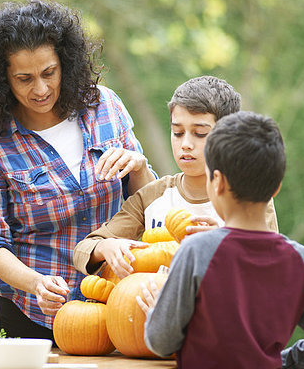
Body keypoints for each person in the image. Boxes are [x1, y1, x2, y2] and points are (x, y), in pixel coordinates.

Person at [0, 0, 155, 340]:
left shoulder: (104, 106)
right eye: (24, 78)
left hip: (117, 302)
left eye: (49, 72)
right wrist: (35, 283)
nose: (41, 89)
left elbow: (147, 209)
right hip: (35, 315)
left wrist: (137, 167)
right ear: (2, 79)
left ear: (65, 62)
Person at [139, 111, 304, 368]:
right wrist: (281, 362)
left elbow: (161, 342)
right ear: (276, 187)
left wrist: (158, 313)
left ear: (217, 182)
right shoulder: (299, 259)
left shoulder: (197, 251)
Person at [73, 76, 279, 279]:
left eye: (199, 133)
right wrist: (106, 247)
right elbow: (84, 248)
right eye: (178, 133)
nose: (186, 144)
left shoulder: (250, 198)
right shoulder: (153, 195)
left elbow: (270, 266)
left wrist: (225, 244)